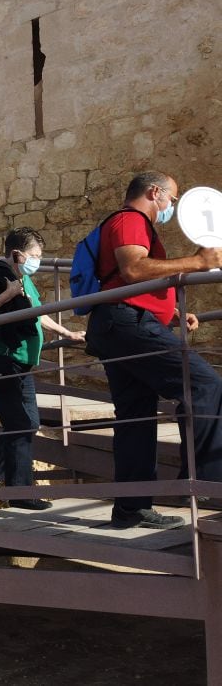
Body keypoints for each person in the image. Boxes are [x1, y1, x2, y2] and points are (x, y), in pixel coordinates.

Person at [85, 171, 222, 530]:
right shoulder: (130, 220)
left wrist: (170, 311)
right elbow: (133, 268)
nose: (171, 207)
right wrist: (197, 262)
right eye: (172, 199)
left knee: (136, 416)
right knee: (204, 384)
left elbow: (126, 278)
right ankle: (207, 480)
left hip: (118, 324)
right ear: (154, 192)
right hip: (128, 323)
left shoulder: (128, 223)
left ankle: (131, 507)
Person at [0, 228, 85, 510]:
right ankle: (19, 493)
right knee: (22, 423)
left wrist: (65, 332)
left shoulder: (24, 278)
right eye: (34, 256)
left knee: (23, 423)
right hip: (1, 360)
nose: (37, 262)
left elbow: (36, 313)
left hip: (21, 362)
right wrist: (7, 294)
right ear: (17, 254)